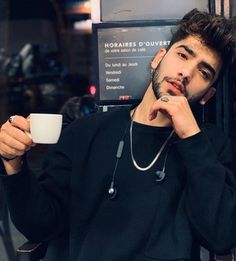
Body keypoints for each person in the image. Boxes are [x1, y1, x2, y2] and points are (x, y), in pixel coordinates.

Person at [0, 9, 236, 261]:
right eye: (182, 55)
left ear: (208, 96)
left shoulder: (211, 145)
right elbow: (41, 224)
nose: (186, 72)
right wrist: (14, 165)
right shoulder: (85, 133)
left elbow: (220, 236)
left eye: (204, 72)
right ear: (158, 58)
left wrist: (191, 136)